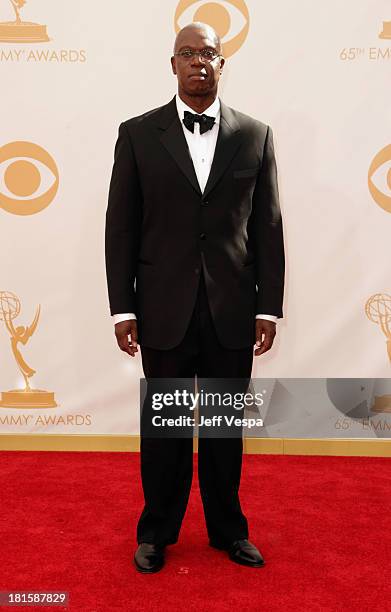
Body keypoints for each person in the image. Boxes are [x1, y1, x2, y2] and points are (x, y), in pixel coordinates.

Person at [105, 22, 285, 573]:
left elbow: (269, 227)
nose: (198, 61)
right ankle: (157, 532)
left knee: (224, 431)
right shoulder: (137, 134)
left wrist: (267, 305)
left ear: (222, 63)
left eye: (208, 53)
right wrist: (123, 306)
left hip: (233, 309)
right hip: (161, 309)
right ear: (173, 63)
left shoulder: (255, 135)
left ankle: (228, 532)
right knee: (166, 432)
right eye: (188, 53)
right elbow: (121, 227)